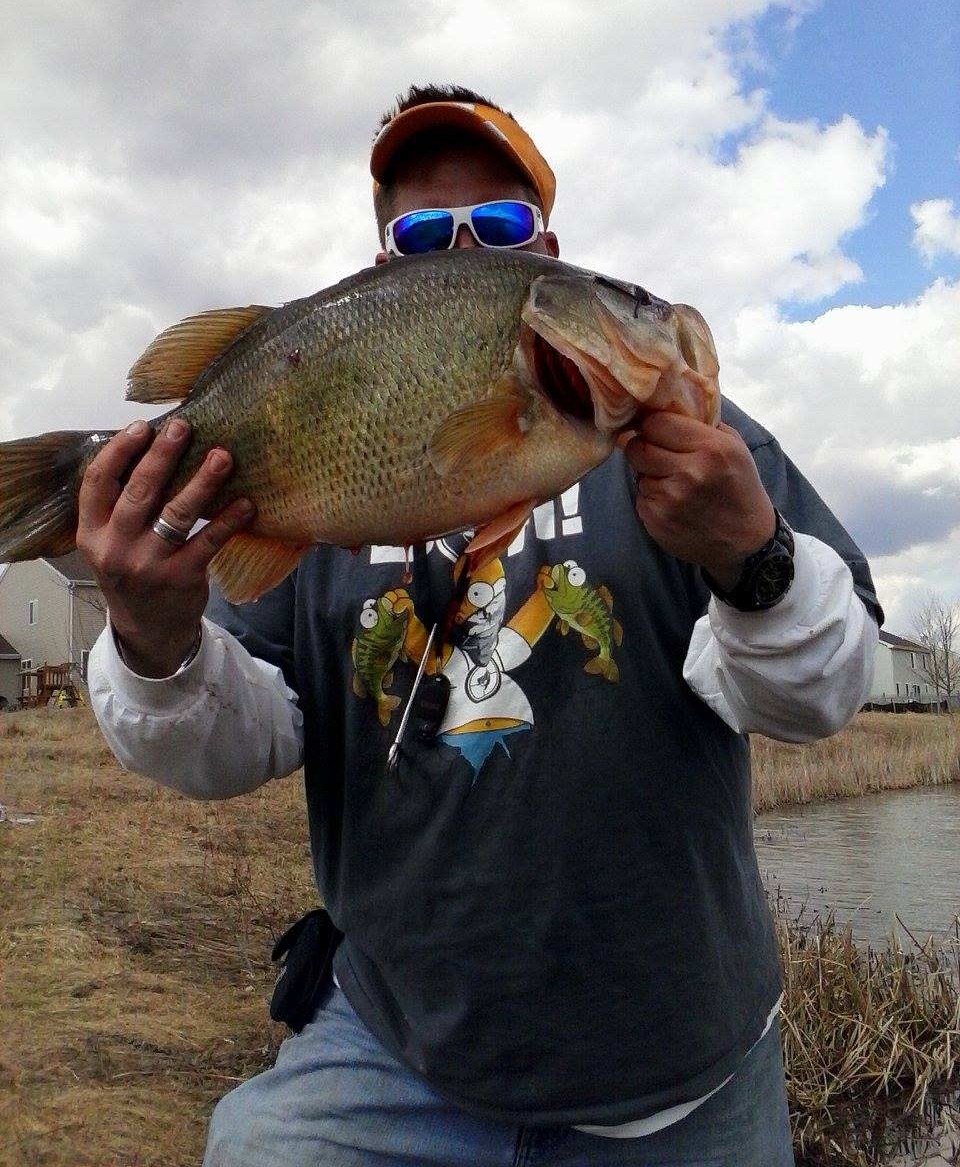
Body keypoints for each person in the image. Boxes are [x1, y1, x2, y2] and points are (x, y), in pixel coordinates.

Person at [83, 83, 882, 1167]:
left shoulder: (702, 451)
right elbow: (241, 743)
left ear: (545, 254)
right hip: (397, 1047)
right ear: (385, 265)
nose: (462, 246)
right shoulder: (303, 457)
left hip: (680, 1074)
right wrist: (154, 640)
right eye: (424, 232)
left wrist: (754, 555)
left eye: (499, 223)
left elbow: (822, 696)